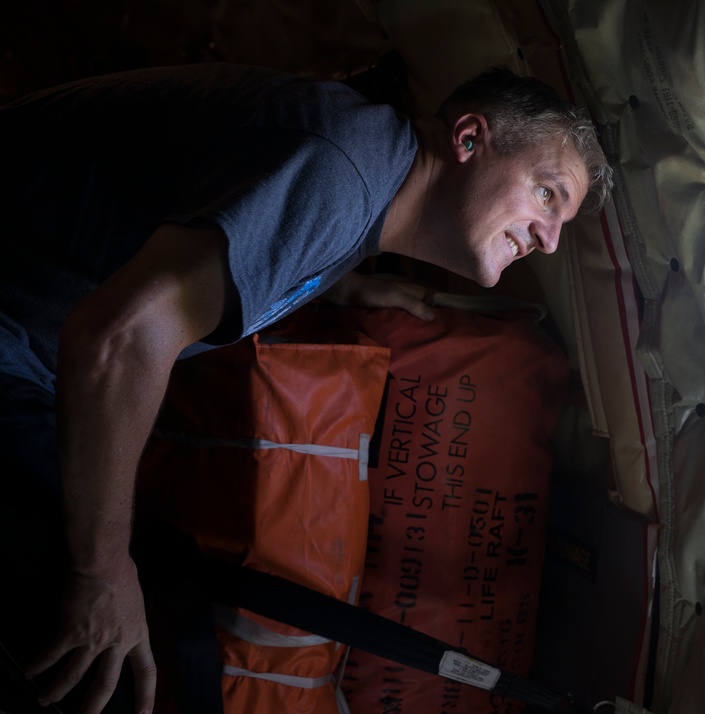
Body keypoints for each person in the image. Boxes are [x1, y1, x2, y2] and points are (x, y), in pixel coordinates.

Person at [0, 62, 611, 712]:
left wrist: (341, 284)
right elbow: (114, 342)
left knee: (165, 613)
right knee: (102, 669)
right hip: (14, 344)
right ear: (467, 140)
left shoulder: (360, 180)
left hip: (31, 354)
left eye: (562, 223)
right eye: (548, 194)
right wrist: (101, 574)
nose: (548, 241)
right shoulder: (339, 172)